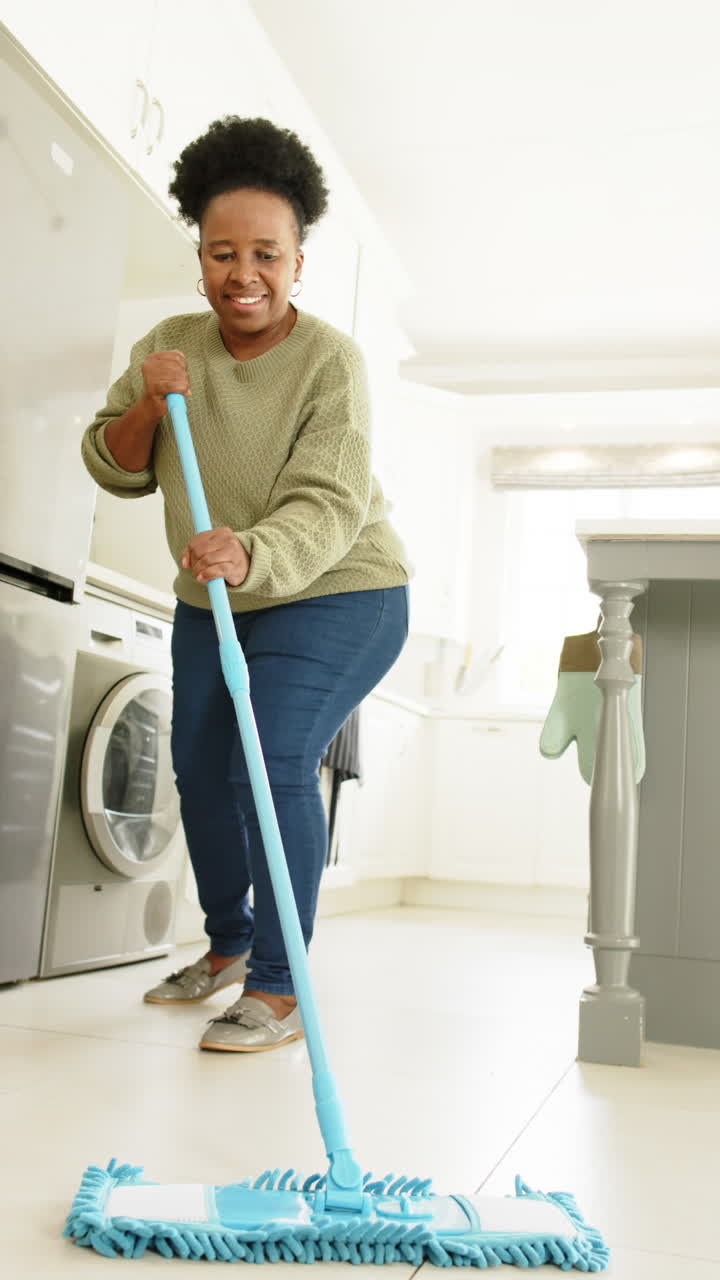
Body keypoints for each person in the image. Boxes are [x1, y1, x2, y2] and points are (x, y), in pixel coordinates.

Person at [81, 117, 410, 1053]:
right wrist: (149, 401)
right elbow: (113, 464)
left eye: (266, 252)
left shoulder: (331, 362)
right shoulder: (172, 345)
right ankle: (227, 948)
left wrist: (253, 552)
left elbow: (329, 501)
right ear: (200, 259)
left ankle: (279, 984)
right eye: (223, 253)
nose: (244, 273)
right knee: (197, 766)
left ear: (299, 260)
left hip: (342, 588)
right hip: (215, 597)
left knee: (265, 762)